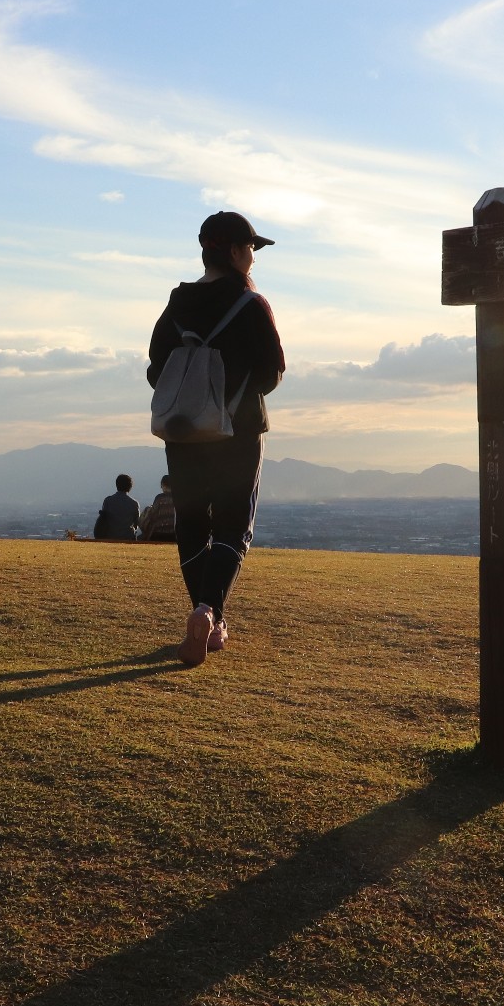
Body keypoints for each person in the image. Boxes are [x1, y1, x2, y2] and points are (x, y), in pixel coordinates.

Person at [147, 210, 285, 665]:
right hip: (239, 429)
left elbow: (155, 367)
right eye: (250, 248)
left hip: (183, 431)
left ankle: (204, 614)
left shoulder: (177, 301)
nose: (253, 258)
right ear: (233, 251)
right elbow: (271, 372)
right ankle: (209, 613)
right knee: (232, 525)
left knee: (191, 523)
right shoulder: (251, 303)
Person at [93, 474, 141, 541]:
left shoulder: (108, 501)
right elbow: (136, 523)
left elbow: (104, 519)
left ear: (117, 485)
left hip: (110, 537)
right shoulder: (134, 503)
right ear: (130, 486)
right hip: (128, 537)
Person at [140, 475, 176, 542]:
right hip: (174, 534)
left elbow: (153, 516)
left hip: (159, 534)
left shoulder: (159, 498)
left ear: (163, 485)